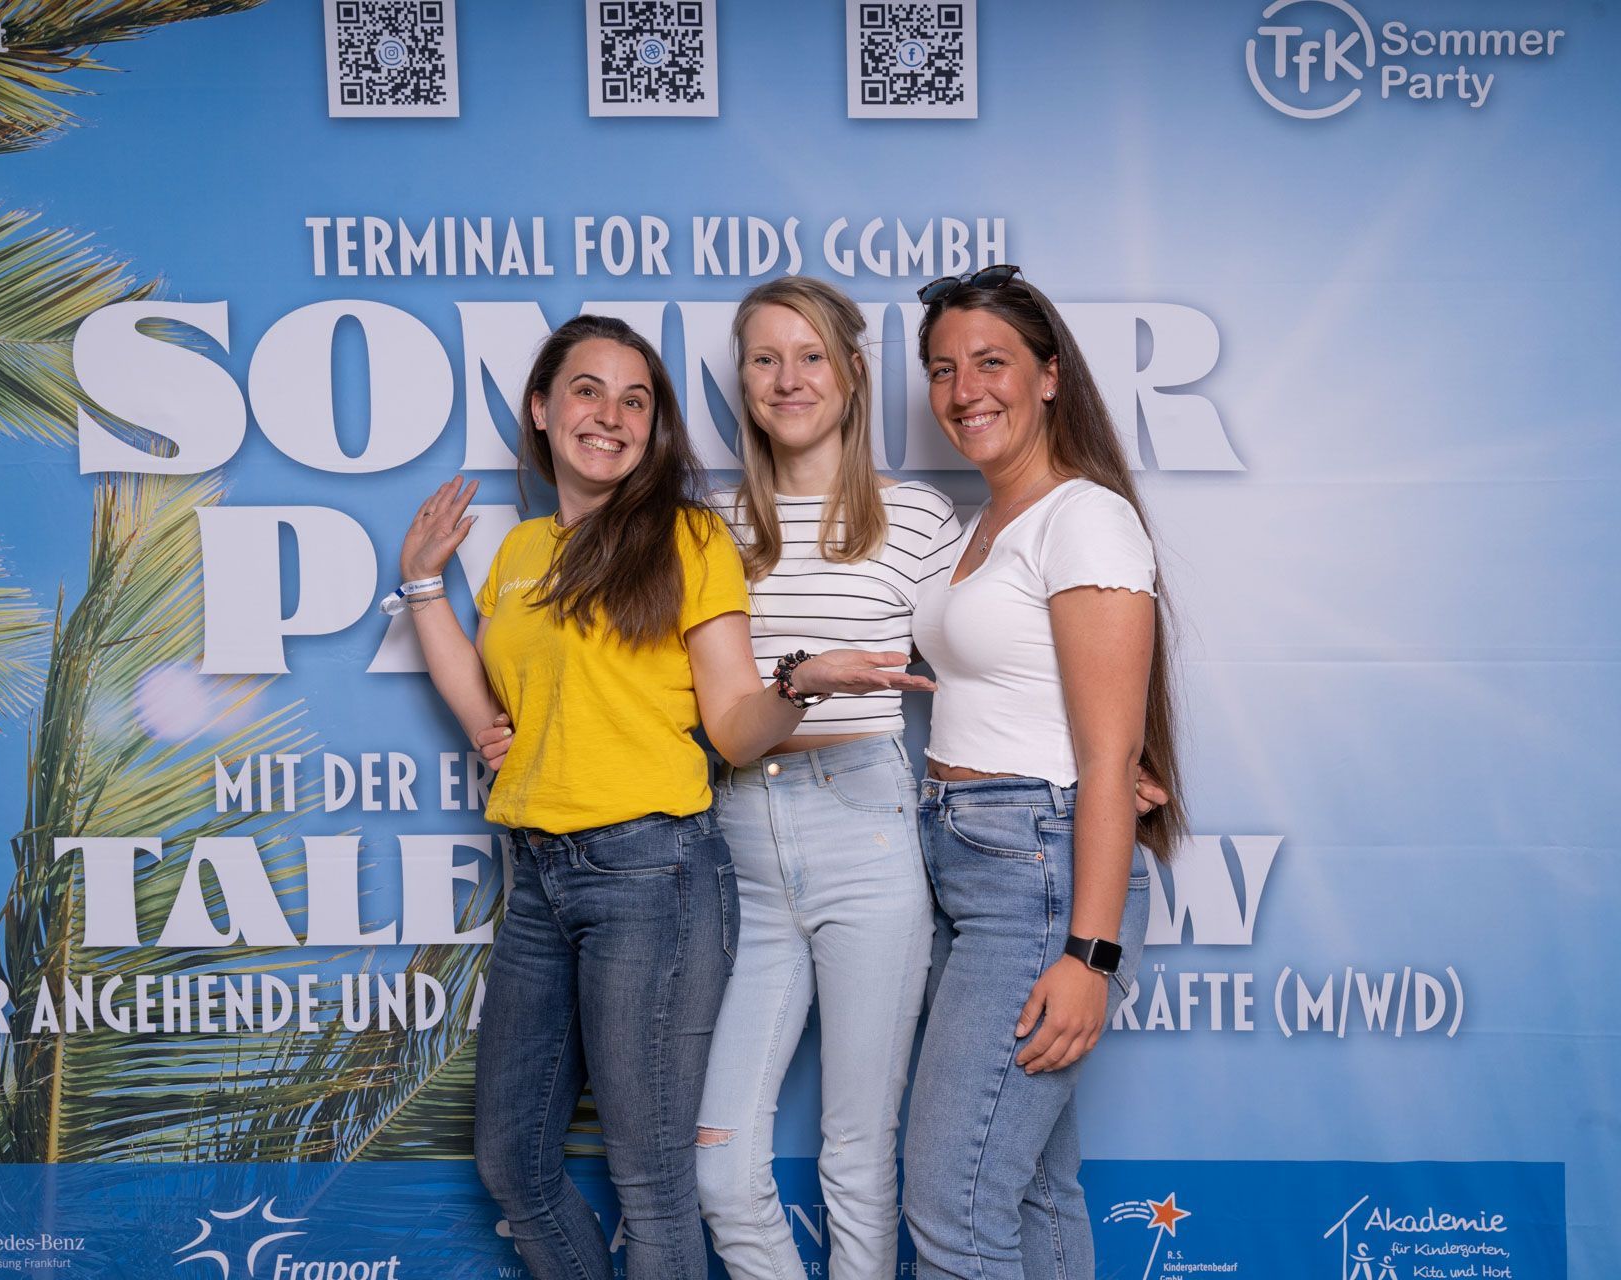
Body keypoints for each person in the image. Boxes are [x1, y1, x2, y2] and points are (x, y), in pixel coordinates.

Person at [395, 314, 929, 1280]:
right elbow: (489, 715)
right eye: (588, 390)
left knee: (651, 1182)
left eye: (635, 400)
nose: (611, 415)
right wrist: (424, 585)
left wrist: (798, 682)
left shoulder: (688, 536)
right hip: (538, 879)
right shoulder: (520, 552)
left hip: (653, 874)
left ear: (654, 427)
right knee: (513, 1163)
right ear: (541, 410)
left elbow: (733, 727)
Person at [901, 265, 1187, 1279]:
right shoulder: (983, 525)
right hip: (967, 863)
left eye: (991, 362)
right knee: (1027, 1191)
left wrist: (1090, 956)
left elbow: (1109, 758)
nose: (965, 389)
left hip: (1036, 878)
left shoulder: (1083, 518)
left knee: (952, 1205)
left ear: (1050, 374)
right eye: (943, 369)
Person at [691, 276, 958, 1280]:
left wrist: (1115, 759)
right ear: (743, 381)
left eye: (810, 357)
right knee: (722, 1170)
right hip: (741, 841)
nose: (787, 378)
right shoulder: (709, 524)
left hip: (867, 826)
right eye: (765, 359)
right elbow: (647, 678)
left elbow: (990, 659)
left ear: (852, 372)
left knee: (856, 1156)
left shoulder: (917, 517)